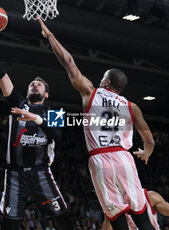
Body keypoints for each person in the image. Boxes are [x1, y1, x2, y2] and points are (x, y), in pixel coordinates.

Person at [37, 19, 155, 230]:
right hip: (124, 158)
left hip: (100, 159)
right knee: (142, 217)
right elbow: (150, 140)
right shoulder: (132, 107)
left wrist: (51, 36)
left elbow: (68, 62)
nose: (100, 80)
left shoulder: (90, 92)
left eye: (103, 78)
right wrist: (146, 152)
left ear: (107, 83)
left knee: (117, 220)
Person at [0, 16, 74, 230]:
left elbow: (56, 137)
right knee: (10, 225)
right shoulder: (18, 102)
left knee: (64, 219)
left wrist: (37, 119)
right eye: (32, 83)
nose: (34, 85)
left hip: (40, 171)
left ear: (46, 93)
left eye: (39, 84)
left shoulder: (55, 112)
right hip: (14, 173)